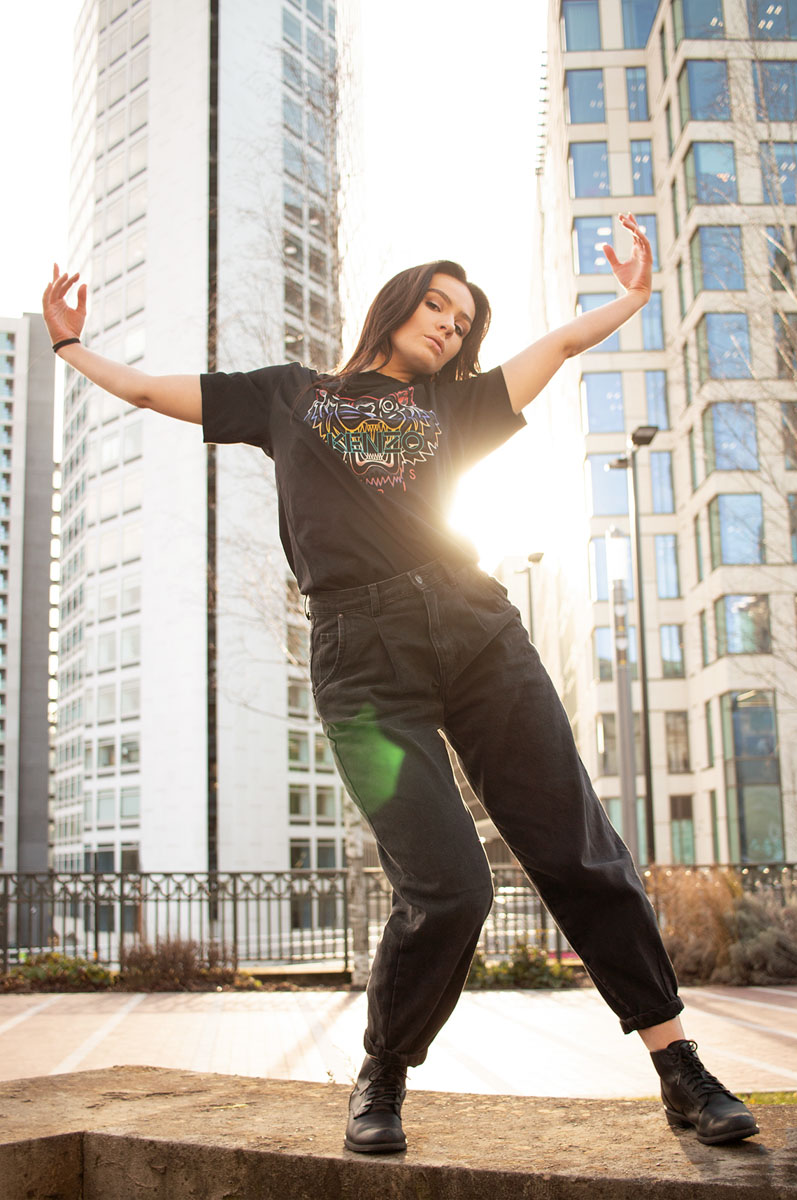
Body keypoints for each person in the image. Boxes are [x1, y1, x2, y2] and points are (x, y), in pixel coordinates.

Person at [43, 212, 758, 1154]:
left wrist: (629, 297)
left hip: (477, 631)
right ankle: (382, 1075)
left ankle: (680, 1072)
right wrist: (68, 342)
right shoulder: (287, 397)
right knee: (450, 886)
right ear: (398, 303)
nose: (450, 327)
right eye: (438, 306)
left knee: (578, 852)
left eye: (464, 323)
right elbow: (142, 388)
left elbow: (562, 342)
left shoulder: (453, 409)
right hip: (363, 662)